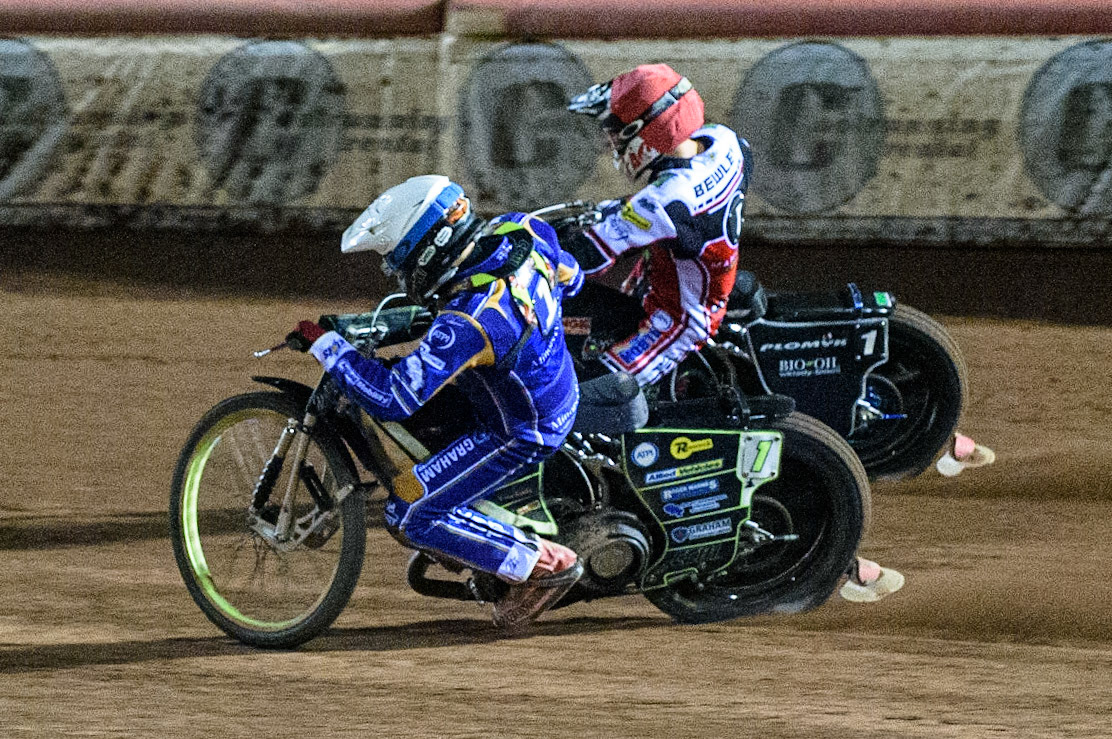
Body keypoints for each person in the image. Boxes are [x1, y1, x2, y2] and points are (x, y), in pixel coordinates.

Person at [565, 63, 904, 604]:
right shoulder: (722, 143)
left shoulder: (664, 202)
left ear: (648, 132)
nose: (609, 139)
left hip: (676, 321)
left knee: (580, 409)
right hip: (675, 276)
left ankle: (625, 509)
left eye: (615, 129)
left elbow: (579, 255)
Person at [287, 174, 585, 628]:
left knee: (408, 513)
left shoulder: (469, 321)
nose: (398, 274)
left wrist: (328, 347)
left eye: (397, 261)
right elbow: (574, 277)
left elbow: (393, 398)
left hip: (522, 429)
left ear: (427, 252)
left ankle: (543, 566)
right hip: (553, 381)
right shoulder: (521, 230)